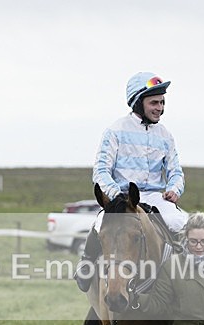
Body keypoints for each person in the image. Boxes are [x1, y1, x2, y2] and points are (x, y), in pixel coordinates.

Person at [76, 71, 187, 292]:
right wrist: (116, 194)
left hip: (155, 197)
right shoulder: (115, 131)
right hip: (124, 197)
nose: (160, 108)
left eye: (162, 102)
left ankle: (187, 280)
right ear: (138, 102)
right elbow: (100, 170)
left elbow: (175, 171)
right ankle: (86, 266)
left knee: (182, 223)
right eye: (154, 102)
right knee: (100, 223)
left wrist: (174, 189)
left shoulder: (166, 135)